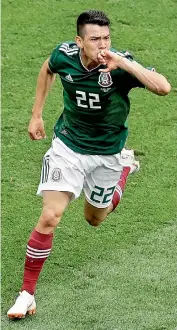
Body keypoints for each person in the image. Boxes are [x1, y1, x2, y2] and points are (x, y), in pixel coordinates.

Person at [7, 9, 171, 319]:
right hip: (67, 146)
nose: (102, 44)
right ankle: (27, 293)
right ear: (79, 41)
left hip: (107, 153)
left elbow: (163, 87)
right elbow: (48, 68)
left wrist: (122, 61)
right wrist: (36, 113)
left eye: (106, 38)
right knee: (51, 216)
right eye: (95, 39)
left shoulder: (120, 67)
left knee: (95, 219)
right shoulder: (65, 55)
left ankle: (123, 168)